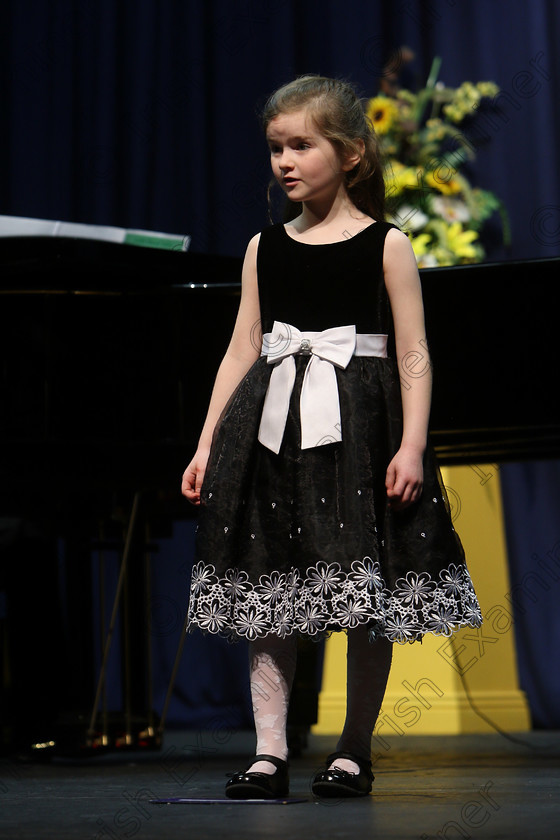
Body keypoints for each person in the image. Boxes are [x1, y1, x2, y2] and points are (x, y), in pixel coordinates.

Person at [181, 74, 482, 799]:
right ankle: (270, 750)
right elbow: (240, 347)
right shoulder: (264, 247)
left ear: (348, 154)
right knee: (268, 581)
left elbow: (413, 352)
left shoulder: (388, 244)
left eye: (301, 145)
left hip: (360, 431)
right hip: (272, 431)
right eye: (276, 148)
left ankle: (353, 748)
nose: (285, 161)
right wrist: (205, 443)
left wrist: (411, 444)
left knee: (361, 587)